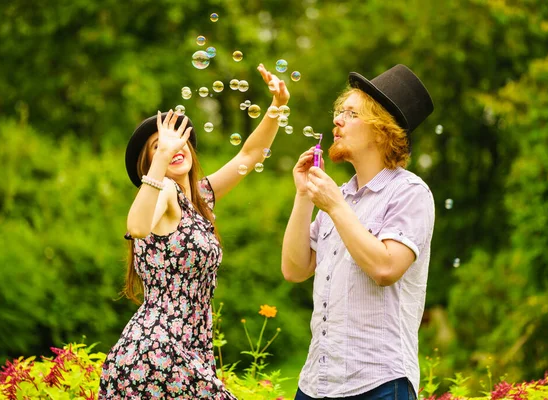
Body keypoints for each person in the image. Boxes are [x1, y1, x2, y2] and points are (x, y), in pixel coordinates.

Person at [98, 63, 289, 399]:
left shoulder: (200, 198)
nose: (173, 148)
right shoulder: (166, 193)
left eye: (178, 140)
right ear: (149, 166)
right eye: (158, 146)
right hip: (156, 352)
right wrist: (160, 162)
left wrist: (277, 105)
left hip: (184, 349)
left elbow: (250, 153)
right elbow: (136, 226)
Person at [281, 64, 435, 400]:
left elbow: (385, 268)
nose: (336, 120)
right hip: (315, 384)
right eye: (339, 112)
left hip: (378, 384)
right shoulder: (343, 194)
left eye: (350, 113)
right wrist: (304, 196)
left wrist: (335, 207)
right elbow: (294, 269)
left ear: (381, 131)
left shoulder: (410, 192)